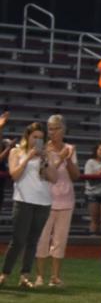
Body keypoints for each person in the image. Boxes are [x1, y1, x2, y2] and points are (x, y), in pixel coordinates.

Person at [1, 122, 53, 288]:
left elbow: (54, 178)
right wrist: (28, 158)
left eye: (40, 138)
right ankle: (5, 273)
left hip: (43, 202)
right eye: (34, 137)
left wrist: (45, 161)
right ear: (27, 136)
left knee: (33, 241)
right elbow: (14, 175)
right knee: (18, 240)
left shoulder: (47, 154)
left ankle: (25, 275)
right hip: (23, 201)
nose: (37, 140)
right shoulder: (17, 151)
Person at [35, 114, 80, 288]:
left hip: (66, 200)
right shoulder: (42, 148)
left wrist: (67, 158)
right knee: (42, 239)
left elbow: (75, 175)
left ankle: (55, 277)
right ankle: (39, 276)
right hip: (45, 199)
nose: (52, 132)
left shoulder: (70, 149)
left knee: (60, 240)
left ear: (64, 129)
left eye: (56, 128)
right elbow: (41, 173)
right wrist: (60, 157)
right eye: (50, 128)